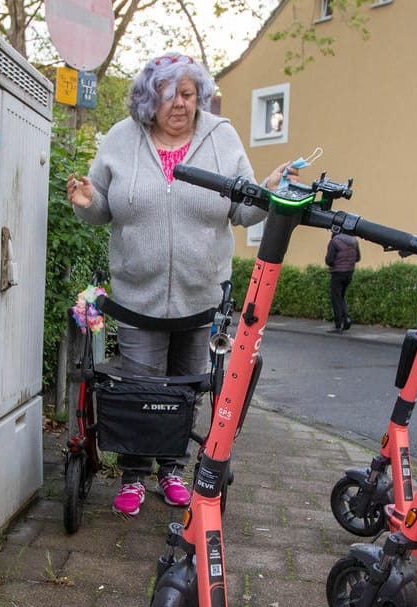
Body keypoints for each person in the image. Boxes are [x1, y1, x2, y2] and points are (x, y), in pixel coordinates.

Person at [67, 51, 293, 516]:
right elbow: (101, 208)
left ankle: (171, 470)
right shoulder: (121, 139)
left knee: (185, 390)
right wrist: (86, 202)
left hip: (201, 297)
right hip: (137, 298)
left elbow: (242, 209)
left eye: (188, 94)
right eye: (168, 95)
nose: (179, 104)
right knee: (141, 389)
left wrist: (268, 189)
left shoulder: (221, 138)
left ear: (200, 97)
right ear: (150, 100)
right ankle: (132, 475)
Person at [325, 231, 360, 333]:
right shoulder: (354, 241)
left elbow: (329, 260)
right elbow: (357, 258)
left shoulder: (334, 242)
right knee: (341, 297)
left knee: (336, 298)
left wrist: (335, 263)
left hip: (337, 273)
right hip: (349, 273)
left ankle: (338, 326)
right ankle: (346, 319)